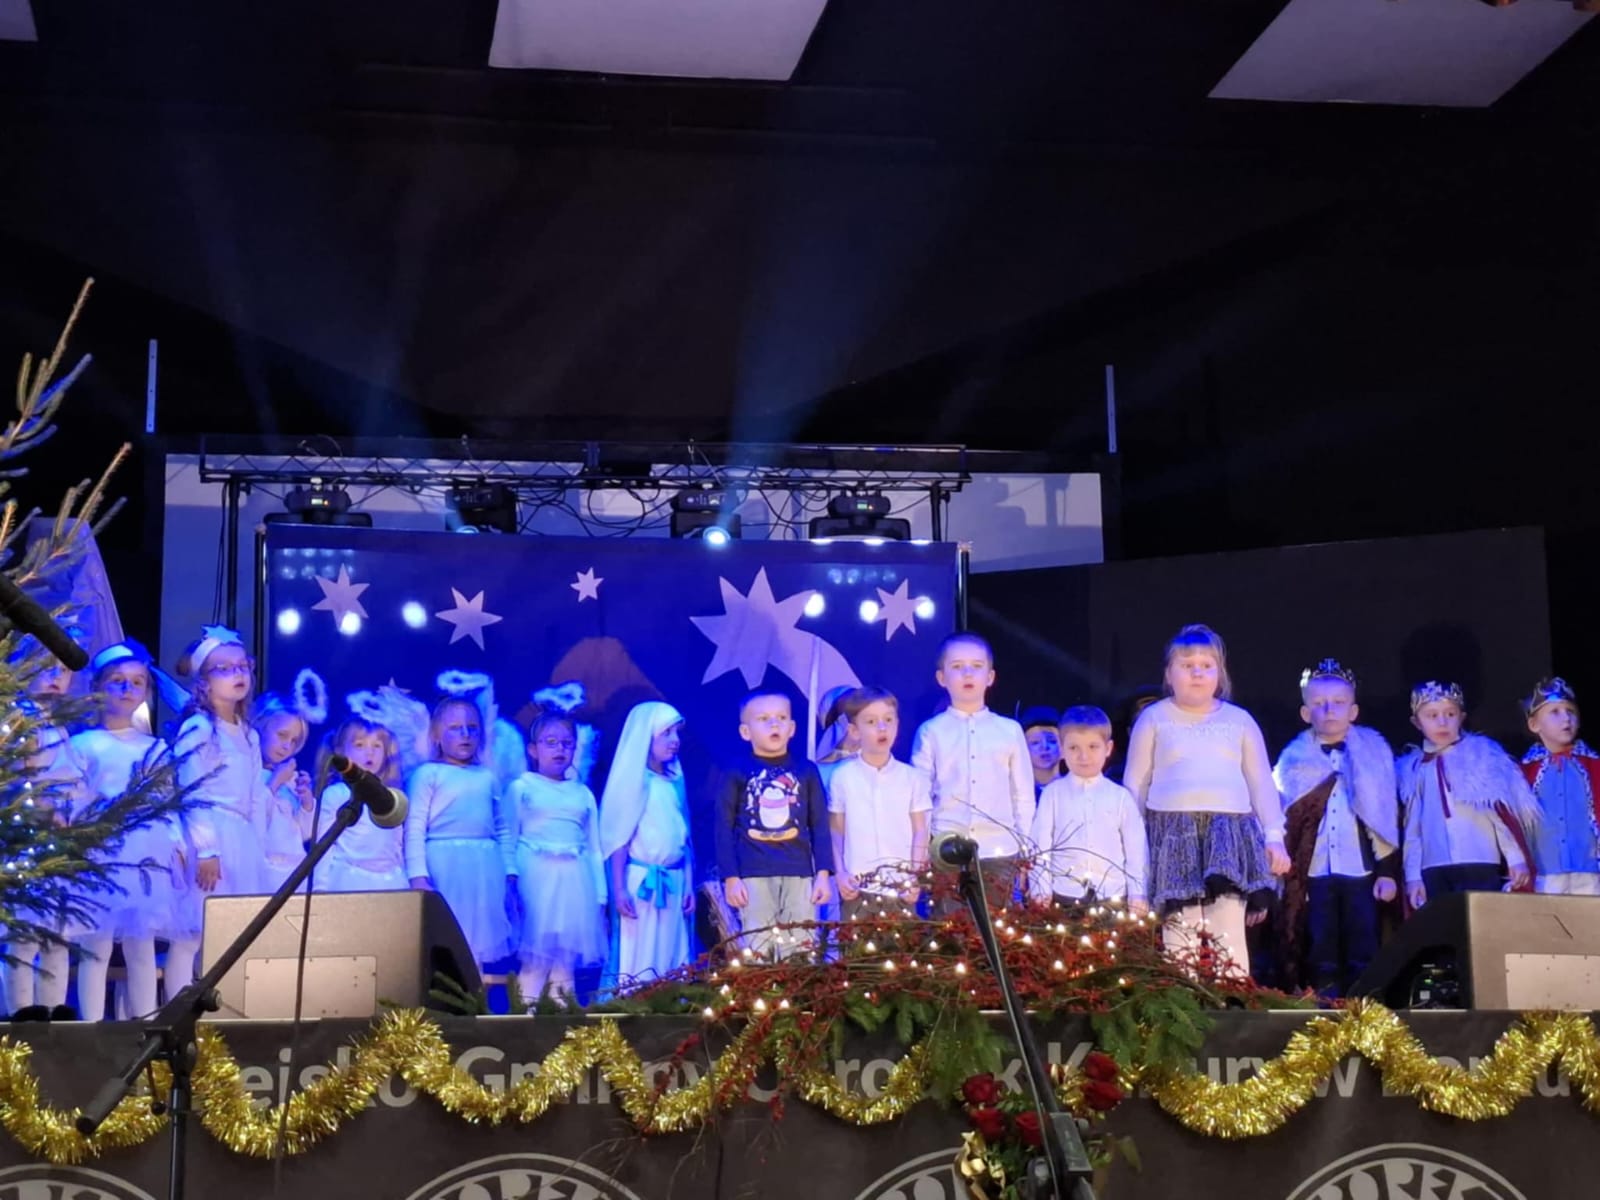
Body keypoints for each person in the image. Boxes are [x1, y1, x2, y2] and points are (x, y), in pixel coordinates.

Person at [1122, 624, 1289, 978]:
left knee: (1227, 932)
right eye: (1187, 666)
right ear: (1169, 674)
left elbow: (1261, 782)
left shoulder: (1239, 721)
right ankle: (1182, 1002)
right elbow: (1135, 784)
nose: (1197, 673)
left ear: (1220, 673)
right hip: (1172, 835)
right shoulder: (1153, 719)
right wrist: (1130, 842)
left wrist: (1274, 836)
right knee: (1180, 934)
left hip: (1227, 834)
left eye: (1206, 666)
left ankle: (1233, 1001)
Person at [68, 641, 183, 1020]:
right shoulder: (82, 744)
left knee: (141, 945)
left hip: (144, 856)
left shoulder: (156, 749)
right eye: (117, 680)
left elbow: (168, 803)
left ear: (146, 692)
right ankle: (88, 1027)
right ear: (97, 687)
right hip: (100, 856)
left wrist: (177, 846)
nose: (127, 688)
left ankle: (146, 1024)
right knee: (95, 945)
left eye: (137, 682)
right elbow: (75, 800)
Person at [1272, 659, 1398, 997]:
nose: (1329, 710)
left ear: (1353, 711)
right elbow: (1285, 823)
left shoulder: (1374, 755)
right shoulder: (1292, 762)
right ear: (1305, 712)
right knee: (1320, 948)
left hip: (1360, 871)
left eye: (1339, 703)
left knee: (1364, 946)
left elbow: (1384, 816)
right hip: (1315, 873)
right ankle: (1324, 1011)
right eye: (1319, 703)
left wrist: (1387, 871)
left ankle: (1366, 1011)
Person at [169, 626, 273, 997]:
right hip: (210, 835)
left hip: (242, 839)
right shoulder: (200, 728)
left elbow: (256, 795)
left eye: (242, 666)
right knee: (193, 932)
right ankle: (176, 1007)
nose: (237, 674)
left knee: (233, 933)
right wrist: (207, 849)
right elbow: (191, 789)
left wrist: (257, 846)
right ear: (204, 682)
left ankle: (226, 1006)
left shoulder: (249, 734)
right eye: (224, 669)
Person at [911, 633, 1035, 911]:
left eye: (976, 666)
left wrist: (1026, 851)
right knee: (950, 928)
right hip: (947, 849)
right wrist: (923, 850)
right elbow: (920, 797)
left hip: (1000, 851)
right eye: (957, 667)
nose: (967, 674)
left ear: (990, 677)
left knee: (996, 927)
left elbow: (1023, 796)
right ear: (942, 678)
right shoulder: (931, 731)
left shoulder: (1009, 730)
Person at [1401, 682, 1539, 909]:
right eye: (1432, 715)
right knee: (1444, 925)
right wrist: (1413, 876)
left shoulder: (1479, 758)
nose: (1442, 722)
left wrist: (1515, 858)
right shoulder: (1416, 770)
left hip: (1480, 860)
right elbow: (1413, 829)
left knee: (1483, 922)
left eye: (1450, 714)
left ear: (1461, 717)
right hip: (1434, 866)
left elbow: (1498, 813)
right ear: (1417, 722)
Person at [717, 690, 832, 959]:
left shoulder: (806, 770)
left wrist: (823, 874)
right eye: (764, 719)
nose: (774, 724)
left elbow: (819, 824)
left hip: (799, 873)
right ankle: (762, 987)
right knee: (759, 948)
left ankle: (799, 985)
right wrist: (731, 878)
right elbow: (723, 827)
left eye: (781, 718)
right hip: (753, 874)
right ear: (745, 731)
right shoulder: (736, 771)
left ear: (792, 728)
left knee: (800, 946)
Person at [5, 636, 87, 1013]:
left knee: (58, 934)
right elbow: (18, 777)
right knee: (24, 935)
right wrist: (41, 808)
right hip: (28, 839)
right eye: (46, 667)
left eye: (64, 670)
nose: (56, 676)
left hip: (59, 840)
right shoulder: (19, 718)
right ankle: (21, 1013)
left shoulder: (58, 724)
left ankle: (55, 1013)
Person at [403, 696, 516, 969]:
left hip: (484, 869)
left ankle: (474, 991)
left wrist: (509, 870)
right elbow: (415, 827)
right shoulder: (427, 774)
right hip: (445, 866)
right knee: (447, 938)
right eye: (455, 728)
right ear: (436, 735)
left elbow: (501, 828)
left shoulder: (487, 777)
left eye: (472, 727)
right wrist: (418, 874)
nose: (465, 734)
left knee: (477, 942)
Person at [506, 711, 607, 1004]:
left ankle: (563, 1021)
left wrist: (600, 895)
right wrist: (510, 881)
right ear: (533, 749)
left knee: (565, 962)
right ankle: (523, 1018)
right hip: (536, 881)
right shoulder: (521, 787)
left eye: (567, 743)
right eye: (550, 742)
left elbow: (594, 847)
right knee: (535, 960)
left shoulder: (582, 794)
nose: (559, 749)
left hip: (575, 883)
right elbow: (508, 838)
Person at [599, 701, 695, 986]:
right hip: (642, 883)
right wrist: (619, 889)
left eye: (676, 733)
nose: (675, 740)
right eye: (666, 733)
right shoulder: (634, 782)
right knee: (638, 952)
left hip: (674, 882)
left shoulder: (674, 781)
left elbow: (684, 839)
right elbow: (619, 840)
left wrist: (689, 884)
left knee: (670, 951)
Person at [1028, 706, 1147, 911]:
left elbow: (1136, 849)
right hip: (1065, 894)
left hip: (1112, 895)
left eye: (1093, 747)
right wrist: (1041, 889)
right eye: (1074, 748)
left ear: (1108, 748)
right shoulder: (1053, 794)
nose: (1084, 756)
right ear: (1062, 750)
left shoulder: (1120, 796)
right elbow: (1041, 844)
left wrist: (1138, 892)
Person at [827, 687, 931, 920]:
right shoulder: (842, 777)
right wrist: (840, 873)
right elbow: (836, 830)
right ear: (854, 730)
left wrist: (914, 876)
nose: (882, 728)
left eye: (888, 720)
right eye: (871, 722)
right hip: (857, 888)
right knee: (857, 943)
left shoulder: (912, 778)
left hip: (900, 888)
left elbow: (920, 830)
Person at [1519, 678, 1600, 896]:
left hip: (1590, 872)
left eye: (1570, 712)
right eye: (1555, 712)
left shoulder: (1594, 767)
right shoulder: (1522, 774)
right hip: (1546, 873)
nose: (1566, 718)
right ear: (1534, 725)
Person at [310, 714, 407, 893]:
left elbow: (397, 845)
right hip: (350, 881)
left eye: (377, 746)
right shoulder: (336, 795)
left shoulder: (391, 796)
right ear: (341, 751)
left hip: (390, 882)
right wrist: (320, 888)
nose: (370, 753)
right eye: (359, 745)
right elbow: (324, 846)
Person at [253, 695, 316, 891]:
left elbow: (305, 834)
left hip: (294, 873)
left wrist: (306, 802)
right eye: (282, 735)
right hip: (263, 872)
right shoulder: (249, 773)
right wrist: (275, 782)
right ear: (261, 727)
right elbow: (254, 821)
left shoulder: (291, 779)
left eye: (294, 741)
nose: (287, 746)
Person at [1021, 706, 1065, 799]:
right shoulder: (1016, 792)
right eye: (1035, 742)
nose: (1044, 747)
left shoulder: (1076, 790)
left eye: (1052, 741)